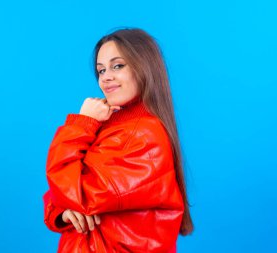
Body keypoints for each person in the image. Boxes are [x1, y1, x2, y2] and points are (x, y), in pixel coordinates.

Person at [43, 28, 193, 253]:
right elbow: (59, 192)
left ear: (145, 67)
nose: (106, 77)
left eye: (118, 66)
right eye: (101, 70)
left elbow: (76, 193)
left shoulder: (142, 136)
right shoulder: (113, 126)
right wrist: (64, 212)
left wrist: (81, 123)